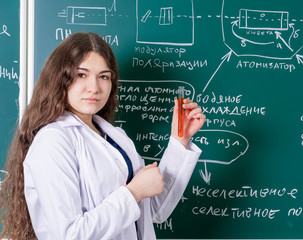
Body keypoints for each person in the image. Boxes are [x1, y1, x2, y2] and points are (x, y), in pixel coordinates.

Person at [0, 32, 205, 239]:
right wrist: (133, 192)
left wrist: (180, 140)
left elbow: (154, 211)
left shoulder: (116, 138)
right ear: (60, 78)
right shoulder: (53, 141)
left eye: (103, 77)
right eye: (81, 74)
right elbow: (70, 235)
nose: (94, 88)